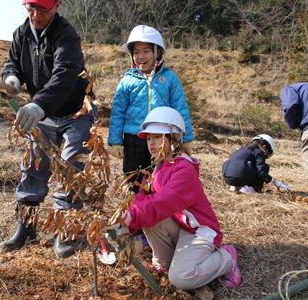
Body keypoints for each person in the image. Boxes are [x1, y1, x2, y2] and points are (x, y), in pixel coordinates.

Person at [0, 0, 96, 258]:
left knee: (71, 167)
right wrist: (13, 77)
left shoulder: (67, 35)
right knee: (33, 164)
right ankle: (26, 227)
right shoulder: (21, 34)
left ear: (56, 5)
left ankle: (65, 231)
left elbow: (65, 75)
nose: (36, 14)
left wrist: (38, 104)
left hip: (76, 111)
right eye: (31, 7)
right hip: (42, 112)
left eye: (42, 7)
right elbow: (12, 63)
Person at [118, 107, 240, 289]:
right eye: (149, 138)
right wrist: (125, 221)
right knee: (147, 215)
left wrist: (131, 217)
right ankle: (164, 261)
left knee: (181, 278)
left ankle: (227, 257)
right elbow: (141, 199)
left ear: (174, 138)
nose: (151, 143)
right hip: (180, 225)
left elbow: (166, 201)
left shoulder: (184, 169)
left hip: (198, 230)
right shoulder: (154, 168)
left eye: (158, 137)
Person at [108, 25, 194, 194]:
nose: (141, 56)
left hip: (162, 138)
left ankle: (157, 209)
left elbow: (181, 109)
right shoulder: (127, 81)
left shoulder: (170, 78)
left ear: (158, 52)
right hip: (134, 139)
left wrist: (187, 138)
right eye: (136, 51)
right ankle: (135, 210)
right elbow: (118, 113)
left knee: (161, 176)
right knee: (134, 177)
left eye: (146, 51)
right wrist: (116, 141)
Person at [222, 134, 290, 194]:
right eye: (268, 152)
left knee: (246, 166)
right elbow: (261, 173)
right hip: (240, 175)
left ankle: (235, 186)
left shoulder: (242, 149)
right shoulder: (259, 152)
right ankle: (250, 189)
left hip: (227, 177)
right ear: (264, 147)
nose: (266, 155)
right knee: (264, 167)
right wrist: (276, 182)